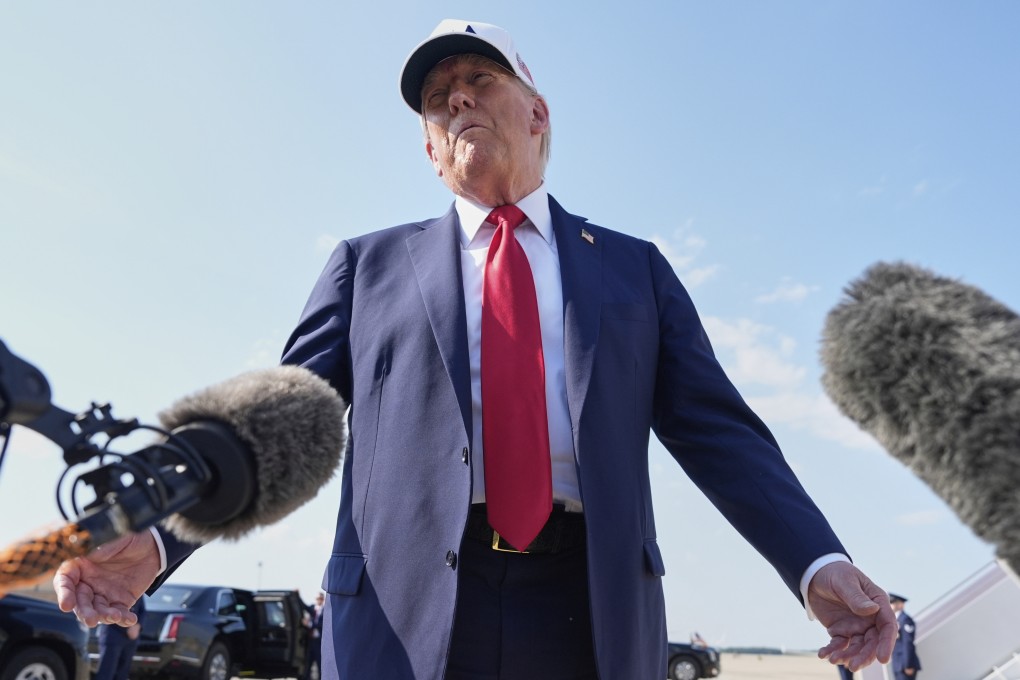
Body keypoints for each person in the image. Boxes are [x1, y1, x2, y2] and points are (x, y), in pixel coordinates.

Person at [52, 18, 897, 680]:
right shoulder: (366, 266)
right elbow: (275, 424)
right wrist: (158, 535)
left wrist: (815, 561)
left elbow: (721, 434)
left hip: (591, 612)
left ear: (537, 111)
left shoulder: (634, 271)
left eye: (477, 79)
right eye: (437, 98)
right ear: (427, 149)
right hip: (402, 612)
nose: (456, 99)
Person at [95, 596, 145, 680]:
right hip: (113, 635)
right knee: (106, 672)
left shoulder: (137, 589)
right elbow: (108, 611)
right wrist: (128, 627)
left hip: (130, 639)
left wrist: (138, 626)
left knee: (122, 673)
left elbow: (142, 610)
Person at [890, 593, 921, 679]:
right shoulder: (896, 620)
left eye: (892, 602)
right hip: (898, 665)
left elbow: (908, 642)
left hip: (905, 665)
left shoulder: (905, 620)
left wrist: (908, 664)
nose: (890, 605)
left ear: (900, 604)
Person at [303, 591, 325, 680]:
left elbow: (322, 624)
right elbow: (304, 606)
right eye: (317, 599)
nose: (318, 600)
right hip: (310, 641)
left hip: (319, 642)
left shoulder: (325, 610)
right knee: (308, 664)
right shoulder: (313, 608)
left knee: (320, 664)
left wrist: (309, 625)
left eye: (320, 599)